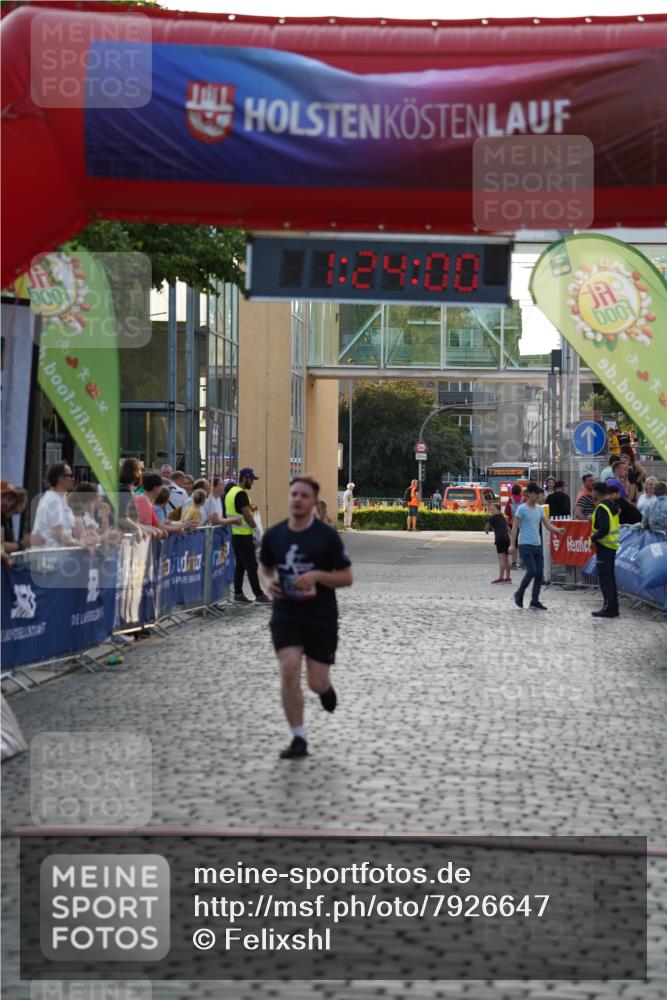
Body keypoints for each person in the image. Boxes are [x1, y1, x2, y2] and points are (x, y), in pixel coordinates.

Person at [259, 475, 353, 760]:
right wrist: (268, 582)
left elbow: (346, 577)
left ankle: (325, 688)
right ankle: (298, 737)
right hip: (286, 613)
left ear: (313, 502)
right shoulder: (275, 535)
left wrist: (316, 576)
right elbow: (264, 567)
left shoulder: (326, 536)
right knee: (289, 669)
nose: (298, 499)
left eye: (304, 495)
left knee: (315, 682)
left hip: (320, 616)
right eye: (294, 494)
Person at [509, 482, 565, 611]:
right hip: (525, 544)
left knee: (539, 573)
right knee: (532, 570)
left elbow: (547, 525)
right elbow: (515, 527)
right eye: (536, 493)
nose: (538, 495)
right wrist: (512, 544)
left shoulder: (540, 509)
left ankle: (535, 601)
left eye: (539, 493)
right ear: (529, 494)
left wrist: (558, 530)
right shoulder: (522, 509)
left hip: (537, 544)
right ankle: (519, 593)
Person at [224, 467, 270, 604]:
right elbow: (246, 514)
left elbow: (239, 509)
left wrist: (251, 507)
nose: (252, 482)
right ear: (245, 478)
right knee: (251, 565)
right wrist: (256, 529)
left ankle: (238, 593)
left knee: (240, 565)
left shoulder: (232, 492)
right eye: (251, 479)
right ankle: (259, 595)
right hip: (243, 535)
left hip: (235, 534)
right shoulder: (241, 494)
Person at [590, 481, 621, 618]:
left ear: (596, 492)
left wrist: (593, 538)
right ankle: (613, 607)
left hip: (604, 547)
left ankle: (608, 608)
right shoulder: (611, 505)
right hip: (611, 546)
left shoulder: (602, 507)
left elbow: (604, 529)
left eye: (592, 491)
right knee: (610, 579)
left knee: (605, 580)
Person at [32, 462, 79, 548]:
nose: (73, 478)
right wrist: (81, 544)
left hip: (57, 553)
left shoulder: (60, 499)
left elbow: (71, 530)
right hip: (50, 554)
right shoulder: (53, 500)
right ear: (60, 479)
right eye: (70, 475)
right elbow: (59, 534)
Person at [484, 502, 511, 583]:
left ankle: (501, 578)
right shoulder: (503, 518)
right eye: (491, 510)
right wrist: (512, 537)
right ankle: (508, 577)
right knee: (506, 559)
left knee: (501, 558)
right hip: (507, 539)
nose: (491, 511)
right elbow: (508, 528)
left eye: (493, 509)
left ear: (499, 510)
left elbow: (487, 526)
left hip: (499, 539)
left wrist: (487, 531)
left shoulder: (493, 518)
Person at [504, 483, 523, 568]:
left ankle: (514, 563)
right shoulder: (524, 499)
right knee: (522, 542)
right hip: (523, 524)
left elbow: (506, 512)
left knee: (514, 543)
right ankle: (523, 562)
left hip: (512, 523)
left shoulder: (510, 500)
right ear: (520, 491)